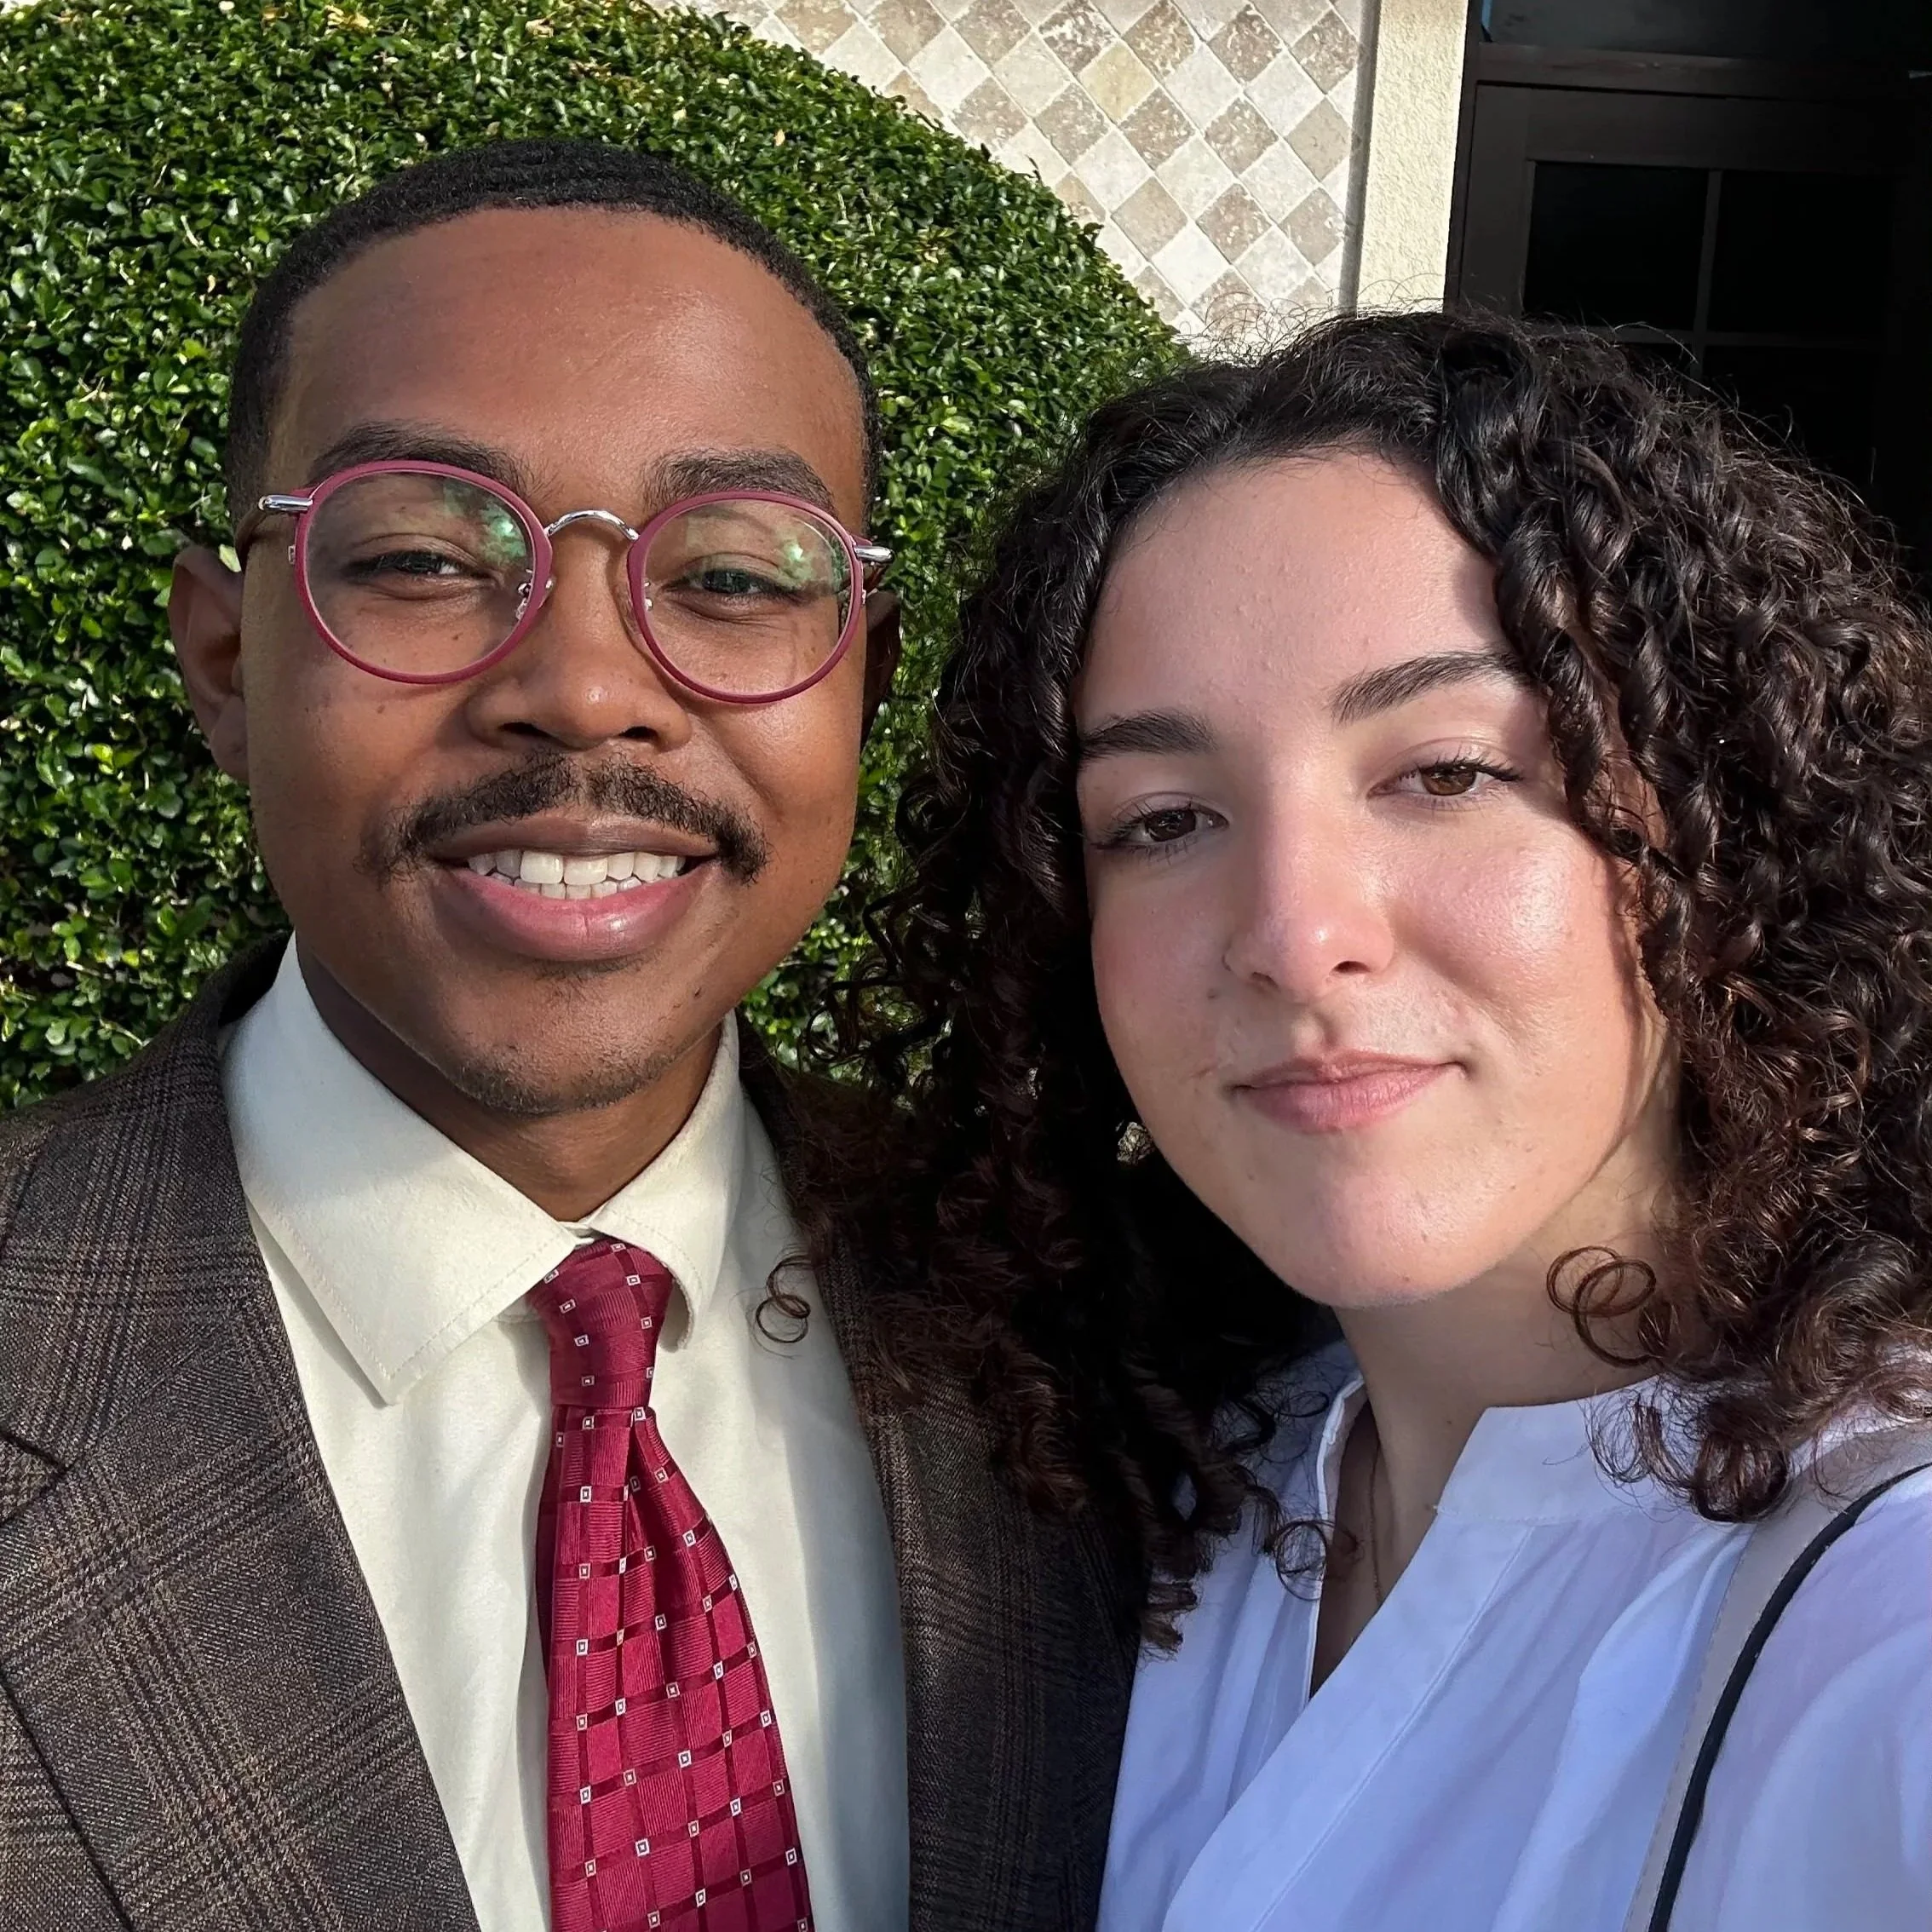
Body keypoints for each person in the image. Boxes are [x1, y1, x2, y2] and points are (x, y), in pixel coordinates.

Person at [0, 140, 1137, 1932]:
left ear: (863, 673)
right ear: (224, 660)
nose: (591, 689)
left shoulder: (1115, 1344)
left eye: (736, 580)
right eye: (422, 559)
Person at [838, 312, 1932, 1932]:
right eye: (1167, 818)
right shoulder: (1140, 1507)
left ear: (1729, 823)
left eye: (1446, 773)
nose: (1293, 932)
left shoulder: (1886, 1623)